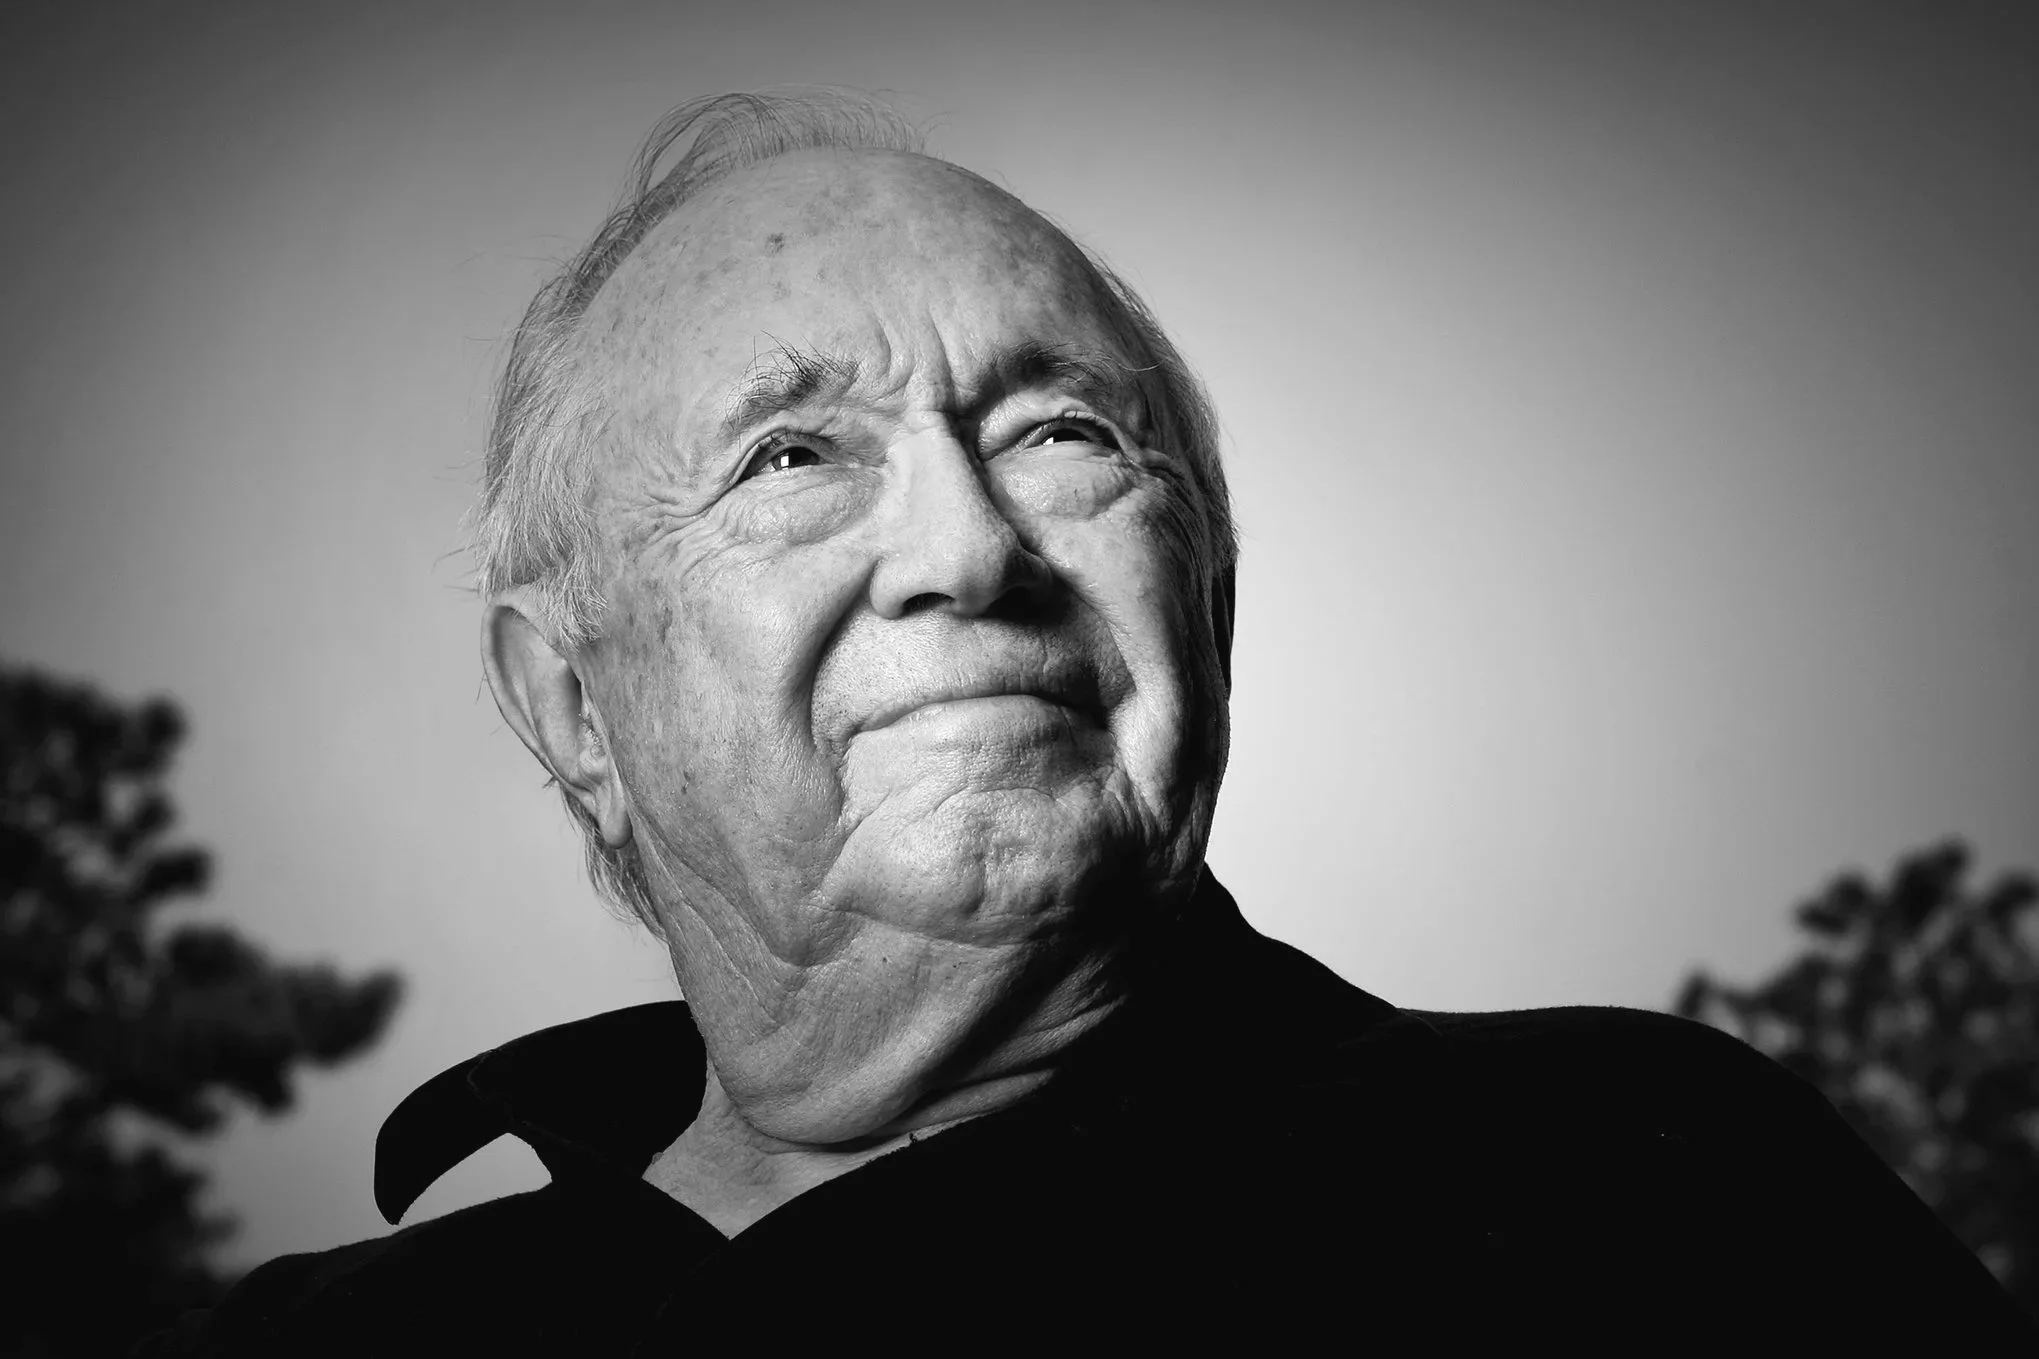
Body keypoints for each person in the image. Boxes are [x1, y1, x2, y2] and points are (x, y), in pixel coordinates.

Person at [141, 92, 2036, 1354]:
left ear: (1205, 602)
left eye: (1061, 435)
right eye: (793, 455)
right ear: (570, 703)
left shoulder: (1633, 1181)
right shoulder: (321, 1336)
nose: (969, 550)